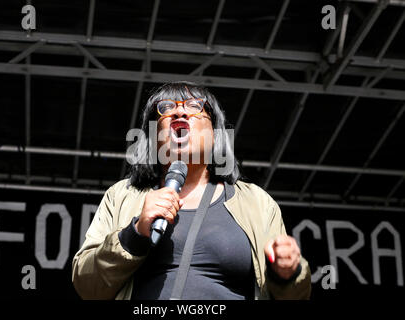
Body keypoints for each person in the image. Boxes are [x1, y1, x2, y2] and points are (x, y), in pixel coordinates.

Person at [72, 81, 311, 300]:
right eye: (165, 108)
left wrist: (288, 272)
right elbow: (87, 285)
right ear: (153, 136)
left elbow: (296, 296)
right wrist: (134, 234)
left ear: (216, 134)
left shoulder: (257, 202)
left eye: (195, 106)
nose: (180, 111)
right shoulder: (122, 195)